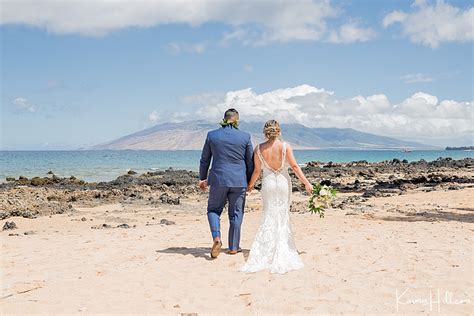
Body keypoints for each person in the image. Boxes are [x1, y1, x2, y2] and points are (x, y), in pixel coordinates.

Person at [240, 119, 313, 274]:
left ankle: (268, 250)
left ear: (265, 132)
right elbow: (294, 166)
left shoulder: (259, 149)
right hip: (283, 183)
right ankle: (283, 248)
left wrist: (250, 185)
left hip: (268, 185)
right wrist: (306, 183)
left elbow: (257, 171)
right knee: (282, 215)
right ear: (278, 131)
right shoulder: (285, 147)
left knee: (268, 215)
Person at [198, 108, 254, 258]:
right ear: (236, 120)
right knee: (236, 213)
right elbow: (250, 162)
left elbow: (205, 159)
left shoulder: (212, 135)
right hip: (239, 180)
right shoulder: (245, 137)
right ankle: (234, 247)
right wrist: (250, 181)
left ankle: (217, 238)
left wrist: (202, 178)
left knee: (213, 210)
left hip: (218, 179)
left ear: (224, 119)